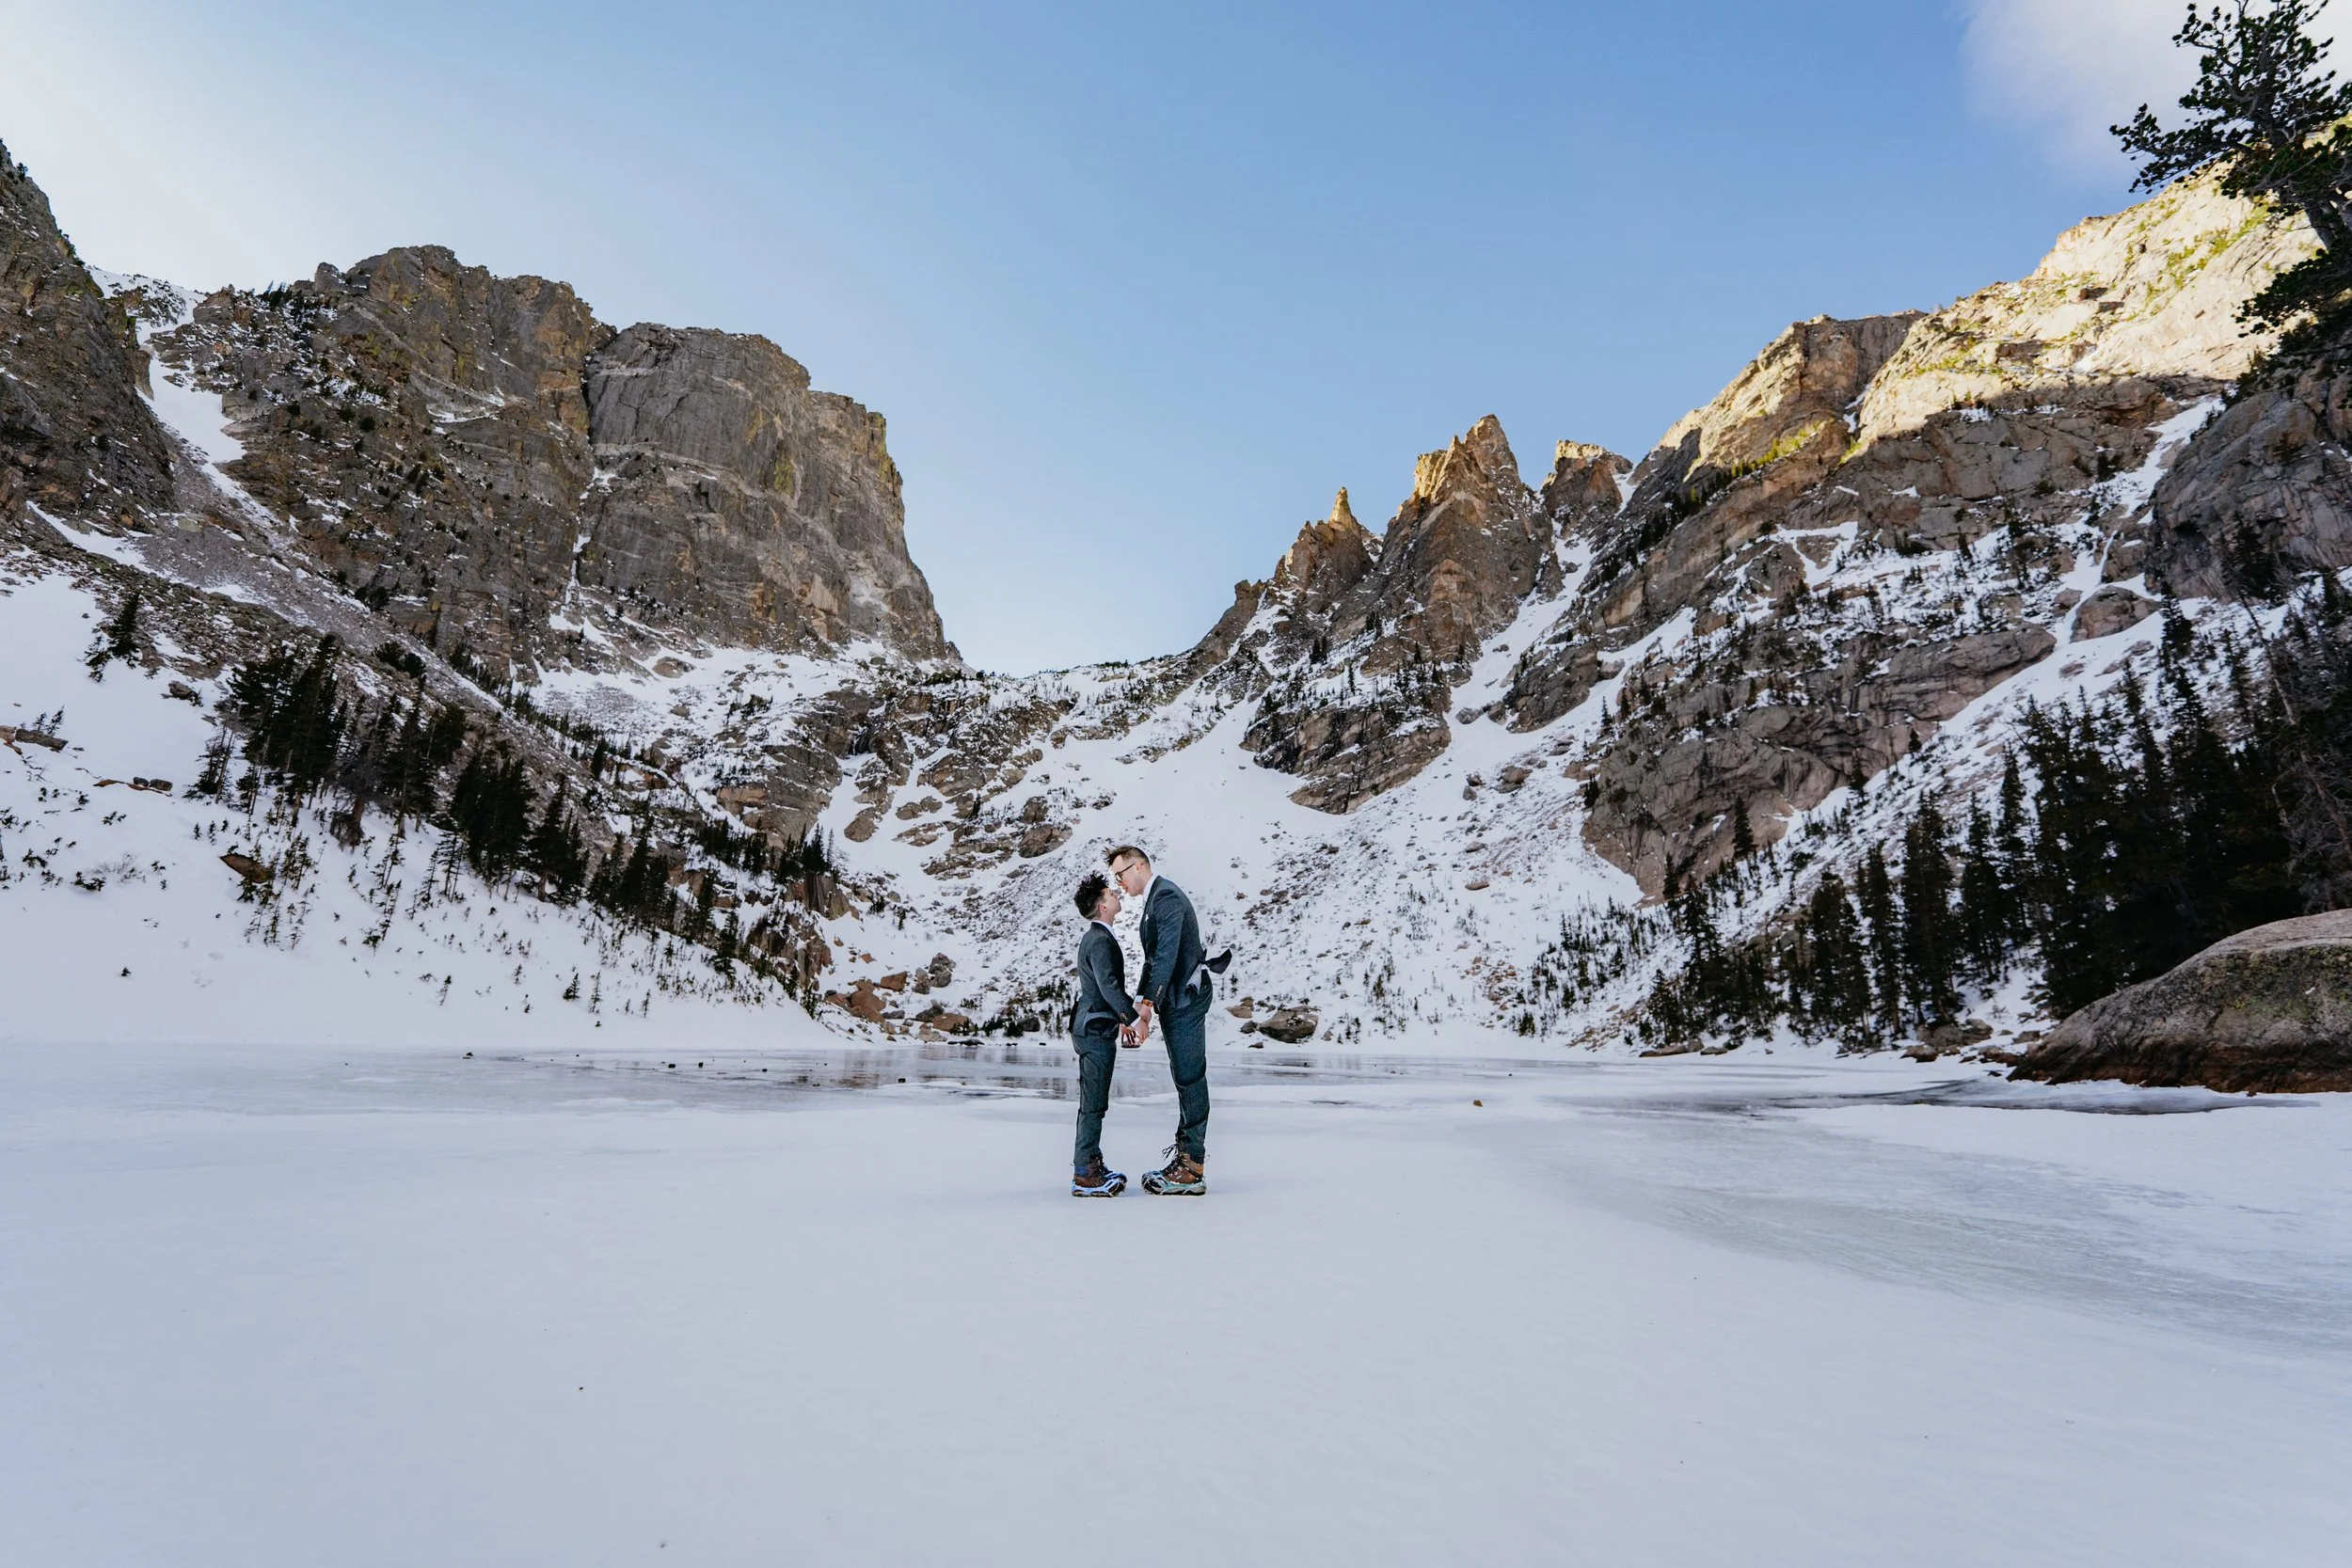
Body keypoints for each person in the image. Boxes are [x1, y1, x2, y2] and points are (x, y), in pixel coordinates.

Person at [1108, 845, 1211, 1196]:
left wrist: (1147, 1006)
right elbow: (1153, 962)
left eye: (1119, 875)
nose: (1118, 883)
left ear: (1138, 867)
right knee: (1184, 1076)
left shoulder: (1165, 897)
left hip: (1185, 998)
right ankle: (1186, 1159)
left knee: (1189, 1076)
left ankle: (1192, 1167)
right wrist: (1139, 1006)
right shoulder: (1155, 900)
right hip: (1176, 997)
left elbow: (1166, 956)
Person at [1068, 871, 1138, 1196]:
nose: (1116, 895)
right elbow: (1109, 987)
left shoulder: (1099, 937)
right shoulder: (1098, 940)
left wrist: (1122, 1019)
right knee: (1094, 1103)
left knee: (1094, 1102)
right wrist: (1133, 1018)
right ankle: (1085, 1174)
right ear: (1102, 906)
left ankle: (1090, 1163)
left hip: (1096, 1026)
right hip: (1094, 1029)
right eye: (1111, 894)